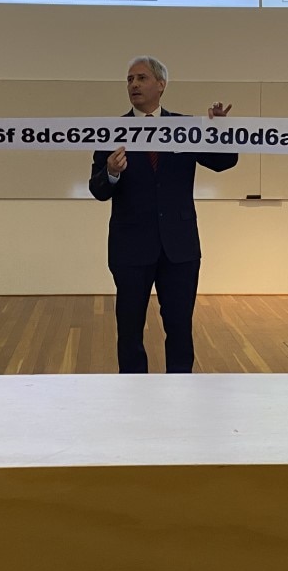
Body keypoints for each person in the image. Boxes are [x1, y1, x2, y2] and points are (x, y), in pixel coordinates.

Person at [89, 57, 236, 373]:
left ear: (161, 84)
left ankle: (180, 390)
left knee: (180, 327)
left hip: (179, 247)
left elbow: (224, 162)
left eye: (141, 78)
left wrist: (219, 130)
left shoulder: (185, 128)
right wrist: (111, 172)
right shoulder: (112, 131)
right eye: (130, 79)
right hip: (131, 247)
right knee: (129, 328)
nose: (134, 85)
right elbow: (97, 189)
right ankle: (133, 390)